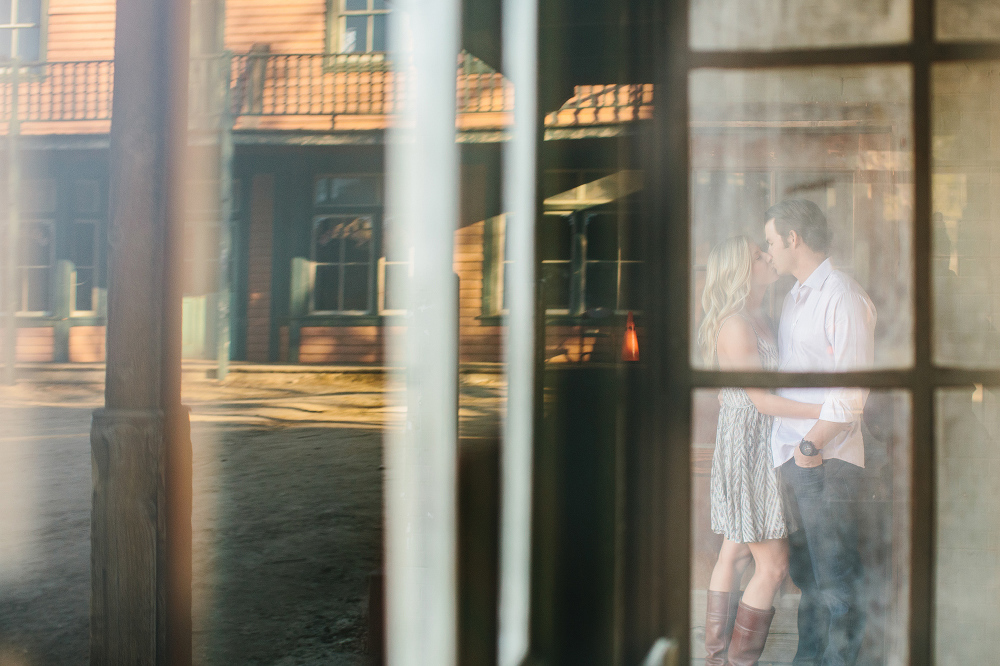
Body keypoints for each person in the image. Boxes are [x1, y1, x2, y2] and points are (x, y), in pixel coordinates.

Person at [697, 235, 827, 666]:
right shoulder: (736, 324)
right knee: (772, 565)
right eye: (758, 255)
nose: (768, 257)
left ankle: (716, 659)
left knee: (734, 551)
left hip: (763, 435)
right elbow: (762, 400)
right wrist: (829, 409)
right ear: (741, 270)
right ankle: (734, 663)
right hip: (748, 443)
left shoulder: (763, 316)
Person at [763, 199, 876, 666]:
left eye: (771, 242)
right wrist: (795, 453)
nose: (768, 252)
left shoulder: (841, 295)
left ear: (794, 239)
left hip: (826, 461)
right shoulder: (795, 296)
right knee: (810, 581)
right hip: (795, 458)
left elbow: (852, 393)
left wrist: (811, 446)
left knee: (836, 585)